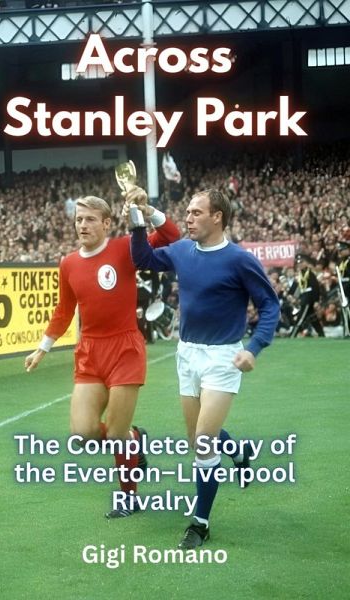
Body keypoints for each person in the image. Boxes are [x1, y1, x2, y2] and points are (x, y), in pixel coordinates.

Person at [130, 188, 280, 549]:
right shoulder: (182, 250)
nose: (188, 218)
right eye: (187, 212)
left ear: (217, 217)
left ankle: (201, 523)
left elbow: (270, 306)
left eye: (196, 212)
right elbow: (142, 258)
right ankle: (239, 452)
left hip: (223, 358)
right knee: (197, 436)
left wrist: (254, 348)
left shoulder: (239, 260)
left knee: (202, 443)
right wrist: (137, 217)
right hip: (187, 354)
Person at [25, 188, 180, 518]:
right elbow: (64, 311)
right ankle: (136, 438)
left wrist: (146, 210)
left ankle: (129, 498)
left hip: (124, 349)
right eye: (79, 219)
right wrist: (42, 347)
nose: (82, 225)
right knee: (83, 434)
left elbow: (171, 236)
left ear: (107, 223)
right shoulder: (68, 263)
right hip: (89, 353)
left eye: (90, 219)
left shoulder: (126, 247)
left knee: (117, 435)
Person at [290, 254, 325, 338]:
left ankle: (293, 334)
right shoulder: (299, 275)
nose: (300, 265)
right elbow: (294, 287)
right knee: (313, 318)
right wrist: (291, 295)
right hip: (303, 297)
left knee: (301, 317)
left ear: (306, 263)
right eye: (298, 263)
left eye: (301, 262)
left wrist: (316, 300)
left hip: (308, 298)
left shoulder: (310, 273)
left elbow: (315, 287)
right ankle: (321, 334)